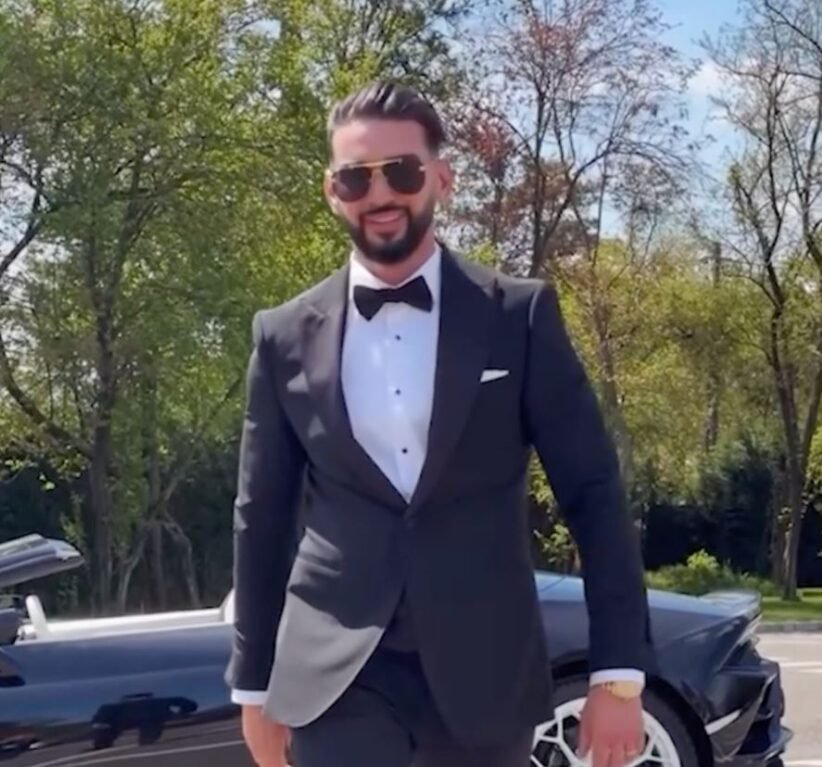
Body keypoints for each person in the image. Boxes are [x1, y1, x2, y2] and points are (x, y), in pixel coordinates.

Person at [225, 80, 655, 767]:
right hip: (336, 673)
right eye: (355, 177)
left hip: (485, 667)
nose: (380, 194)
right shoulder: (281, 336)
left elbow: (594, 491)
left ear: (442, 179)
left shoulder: (518, 317)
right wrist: (252, 683)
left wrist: (619, 674)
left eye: (401, 171)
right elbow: (261, 515)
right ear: (332, 191)